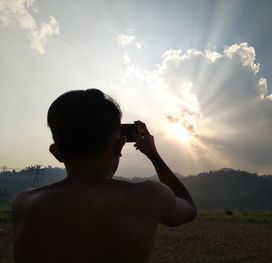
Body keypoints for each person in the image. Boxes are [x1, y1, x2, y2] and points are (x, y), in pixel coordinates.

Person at [11, 89, 197, 263]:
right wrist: (153, 154)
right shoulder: (148, 196)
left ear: (57, 152)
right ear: (119, 146)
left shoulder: (24, 204)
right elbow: (188, 206)